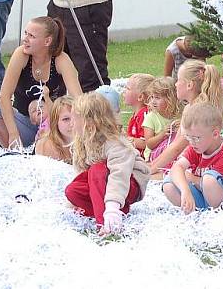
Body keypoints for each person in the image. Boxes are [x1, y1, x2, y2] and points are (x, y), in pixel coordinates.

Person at [0, 16, 82, 148]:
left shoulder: (61, 59)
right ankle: (14, 150)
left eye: (32, 36)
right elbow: (4, 96)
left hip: (52, 125)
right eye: (25, 33)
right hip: (24, 122)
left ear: (47, 41)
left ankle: (49, 146)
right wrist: (13, 133)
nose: (25, 39)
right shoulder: (21, 55)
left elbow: (79, 99)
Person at [65, 92, 150, 235]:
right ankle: (118, 210)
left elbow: (119, 175)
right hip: (103, 184)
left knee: (97, 169)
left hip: (129, 184)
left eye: (75, 118)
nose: (72, 123)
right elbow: (83, 175)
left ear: (90, 122)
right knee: (72, 190)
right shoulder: (83, 141)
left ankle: (106, 222)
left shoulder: (115, 143)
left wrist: (111, 208)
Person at [148, 59, 223, 174]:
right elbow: (174, 145)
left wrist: (150, 170)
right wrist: (152, 165)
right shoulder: (190, 107)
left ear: (189, 85)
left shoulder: (197, 112)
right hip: (186, 160)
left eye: (178, 80)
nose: (175, 84)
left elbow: (178, 147)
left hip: (197, 165)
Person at [162, 102, 223, 212]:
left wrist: (189, 177)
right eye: (189, 138)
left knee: (209, 180)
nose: (192, 142)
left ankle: (216, 215)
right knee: (169, 184)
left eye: (196, 138)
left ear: (215, 134)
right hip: (202, 197)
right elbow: (176, 168)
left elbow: (211, 185)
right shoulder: (197, 147)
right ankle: (193, 211)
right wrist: (185, 190)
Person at [142, 76, 181, 163]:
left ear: (170, 99)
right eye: (152, 97)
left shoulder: (179, 115)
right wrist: (162, 135)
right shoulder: (151, 118)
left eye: (157, 98)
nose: (153, 101)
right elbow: (149, 144)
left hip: (173, 154)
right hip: (154, 157)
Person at [35, 95, 74, 164]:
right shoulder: (45, 146)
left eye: (76, 117)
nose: (72, 123)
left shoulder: (89, 142)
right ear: (55, 122)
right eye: (66, 119)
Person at [123, 73, 155, 156]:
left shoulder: (144, 115)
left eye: (128, 88)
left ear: (140, 97)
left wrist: (124, 139)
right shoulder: (137, 114)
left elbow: (145, 143)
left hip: (142, 160)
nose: (124, 91)